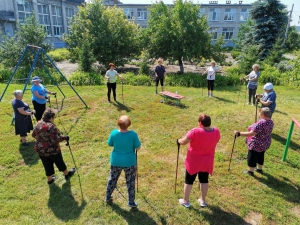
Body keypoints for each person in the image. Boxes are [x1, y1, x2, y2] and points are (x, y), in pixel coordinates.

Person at [177, 114, 220, 208]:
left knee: (189, 180)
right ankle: (203, 201)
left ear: (200, 123)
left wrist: (179, 140)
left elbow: (183, 142)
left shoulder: (195, 131)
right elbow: (216, 140)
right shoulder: (216, 131)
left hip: (194, 161)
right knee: (204, 180)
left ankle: (186, 201)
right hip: (207, 160)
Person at [32, 108, 76, 184]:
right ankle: (66, 174)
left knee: (46, 164)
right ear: (51, 117)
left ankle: (50, 179)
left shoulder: (38, 124)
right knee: (59, 162)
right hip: (53, 150)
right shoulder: (51, 126)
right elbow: (55, 140)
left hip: (40, 150)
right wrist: (65, 137)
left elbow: (33, 135)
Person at [105, 115, 141, 207]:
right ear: (129, 124)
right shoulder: (133, 134)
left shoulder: (114, 133)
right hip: (130, 162)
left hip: (116, 161)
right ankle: (131, 202)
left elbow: (110, 144)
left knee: (112, 178)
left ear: (118, 124)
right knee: (130, 181)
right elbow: (138, 147)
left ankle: (108, 196)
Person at [234, 107, 274, 176]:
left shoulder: (261, 123)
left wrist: (239, 133)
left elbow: (251, 133)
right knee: (261, 155)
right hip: (265, 143)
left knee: (252, 156)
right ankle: (259, 169)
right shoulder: (271, 122)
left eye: (260, 113)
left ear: (262, 114)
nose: (259, 114)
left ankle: (250, 171)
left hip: (256, 144)